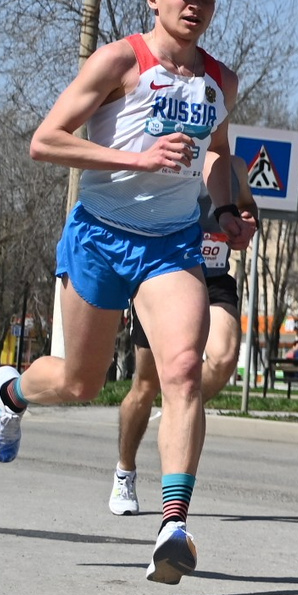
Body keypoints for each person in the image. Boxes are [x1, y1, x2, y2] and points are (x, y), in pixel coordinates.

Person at [0, 0, 256, 584]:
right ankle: (11, 392)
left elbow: (216, 157)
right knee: (80, 383)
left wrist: (224, 210)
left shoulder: (221, 82)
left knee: (183, 371)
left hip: (171, 245)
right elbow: (45, 140)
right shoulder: (119, 61)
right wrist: (135, 157)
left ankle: (173, 526)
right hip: (100, 235)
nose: (195, 6)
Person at [109, 150, 253, 514]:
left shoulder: (235, 166)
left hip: (216, 276)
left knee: (222, 358)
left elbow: (247, 205)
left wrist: (247, 218)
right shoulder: (168, 153)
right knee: (144, 386)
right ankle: (125, 470)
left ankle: (178, 407)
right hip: (166, 276)